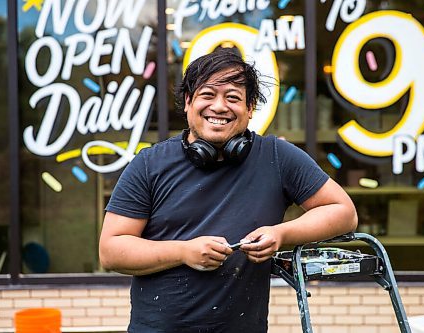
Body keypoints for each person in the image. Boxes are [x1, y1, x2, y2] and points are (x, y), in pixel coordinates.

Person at [99, 50, 358, 332]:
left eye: (233, 97)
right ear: (188, 102)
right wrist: (184, 252)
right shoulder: (149, 164)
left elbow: (343, 212)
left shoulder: (278, 157)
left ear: (250, 108)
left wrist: (281, 234)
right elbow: (111, 250)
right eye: (207, 94)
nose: (219, 107)